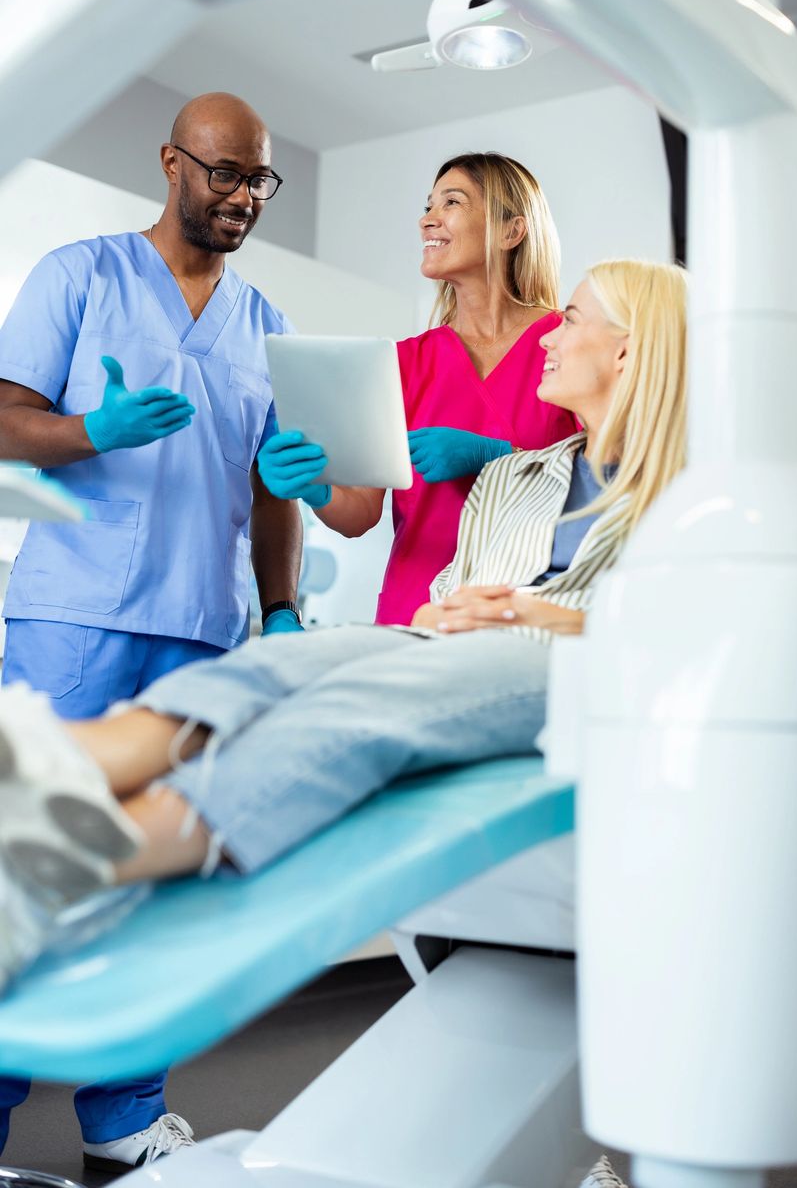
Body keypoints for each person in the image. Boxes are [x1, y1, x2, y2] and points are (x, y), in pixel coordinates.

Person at [0, 258, 685, 1187]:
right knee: (297, 657)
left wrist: (539, 617)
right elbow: (447, 583)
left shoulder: (696, 500)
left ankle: (99, 849)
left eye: (572, 322)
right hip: (462, 647)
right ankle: (52, 771)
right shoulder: (518, 478)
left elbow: (694, 630)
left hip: (577, 675)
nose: (551, 337)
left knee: (379, 701)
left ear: (630, 348)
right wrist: (445, 609)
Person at [0, 93, 303, 1170]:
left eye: (258, 181)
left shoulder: (266, 321)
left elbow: (275, 491)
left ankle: (125, 1121)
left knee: (155, 892)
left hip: (202, 634)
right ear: (172, 162)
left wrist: (279, 606)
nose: (241, 198)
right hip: (71, 617)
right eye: (224, 173)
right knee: (34, 867)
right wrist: (90, 430)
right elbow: (2, 414)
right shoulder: (78, 275)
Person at [259, 152, 578, 625]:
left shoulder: (565, 344)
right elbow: (361, 513)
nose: (427, 220)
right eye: (428, 205)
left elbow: (605, 484)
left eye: (452, 202)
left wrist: (499, 458)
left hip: (525, 613)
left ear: (512, 231)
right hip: (415, 611)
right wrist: (315, 489)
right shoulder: (403, 363)